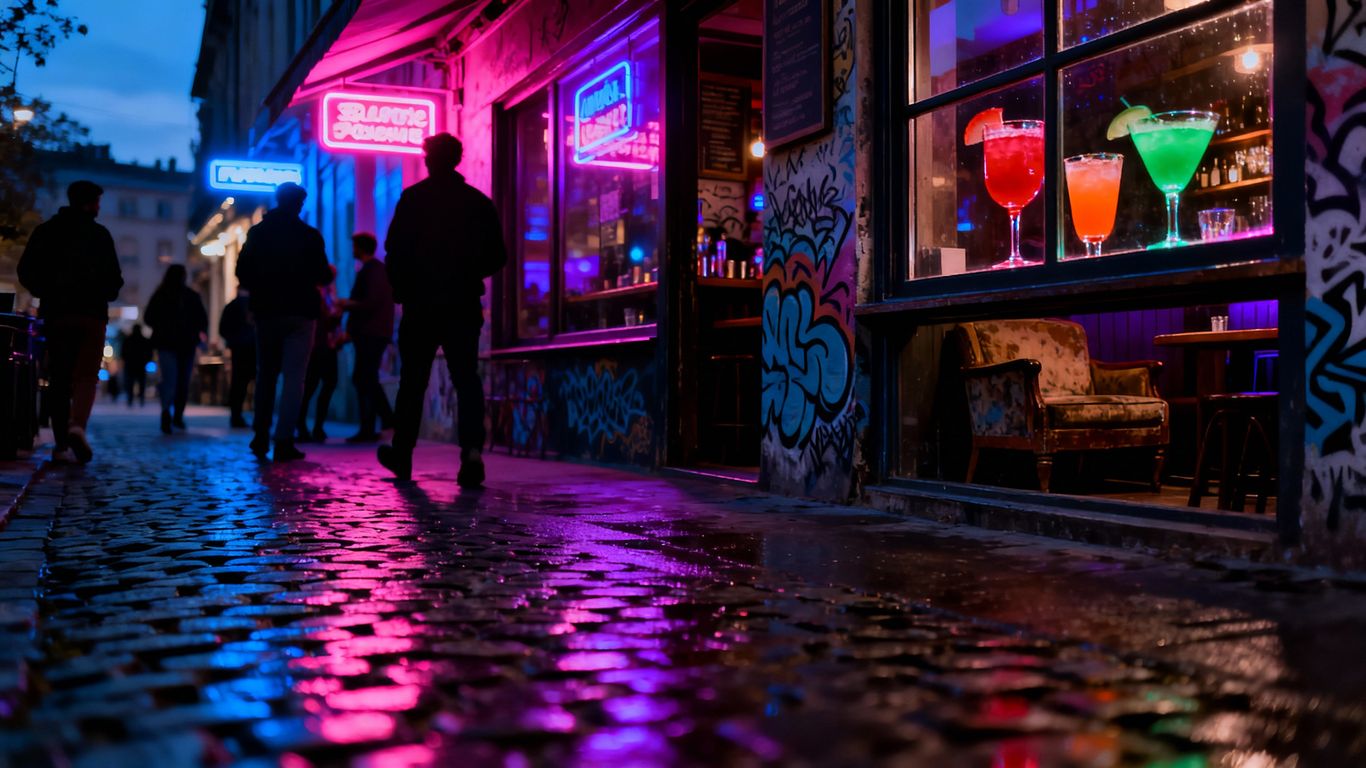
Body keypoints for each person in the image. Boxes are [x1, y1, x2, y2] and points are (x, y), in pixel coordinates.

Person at [378, 133, 507, 486]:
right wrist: (466, 273)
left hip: (421, 305)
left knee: (412, 382)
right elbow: (498, 255)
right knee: (466, 379)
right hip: (462, 303)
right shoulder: (477, 202)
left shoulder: (413, 199)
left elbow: (394, 251)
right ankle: (472, 455)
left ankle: (402, 454)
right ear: (458, 159)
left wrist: (403, 290)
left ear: (428, 159)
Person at [17, 179, 123, 463]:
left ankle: (62, 443)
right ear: (90, 203)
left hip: (58, 312)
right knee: (87, 375)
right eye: (98, 202)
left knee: (59, 378)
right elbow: (115, 279)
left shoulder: (46, 232)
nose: (99, 207)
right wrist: (103, 291)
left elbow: (26, 271)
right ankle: (78, 425)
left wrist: (45, 291)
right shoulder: (100, 235)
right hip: (92, 314)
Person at [235, 182, 333, 462]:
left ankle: (260, 435)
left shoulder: (258, 233)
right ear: (299, 204)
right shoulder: (309, 236)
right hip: (301, 312)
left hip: (266, 311)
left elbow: (242, 271)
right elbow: (324, 275)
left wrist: (261, 287)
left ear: (277, 200)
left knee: (265, 374)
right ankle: (284, 439)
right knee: (294, 378)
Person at [338, 232, 394, 443]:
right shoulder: (375, 270)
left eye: (354, 246)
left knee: (364, 377)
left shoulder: (373, 271)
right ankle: (378, 422)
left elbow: (370, 303)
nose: (352, 250)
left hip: (371, 333)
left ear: (361, 248)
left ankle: (377, 423)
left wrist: (346, 304)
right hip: (373, 332)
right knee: (365, 377)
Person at [144, 264, 208, 434]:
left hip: (167, 343)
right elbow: (203, 320)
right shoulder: (191, 296)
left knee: (169, 379)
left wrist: (162, 326)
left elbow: (148, 317)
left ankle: (166, 411)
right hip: (186, 344)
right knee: (182, 381)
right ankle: (177, 415)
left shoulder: (160, 295)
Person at [296, 269, 341, 443]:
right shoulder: (318, 295)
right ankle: (305, 426)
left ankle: (313, 426)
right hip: (319, 347)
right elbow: (323, 322)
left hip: (326, 346)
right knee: (311, 387)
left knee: (321, 385)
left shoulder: (327, 295)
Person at [219, 288, 256, 429]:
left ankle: (236, 415)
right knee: (259, 381)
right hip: (253, 347)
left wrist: (233, 340)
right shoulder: (254, 304)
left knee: (238, 383)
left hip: (239, 349)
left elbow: (222, 329)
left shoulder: (232, 306)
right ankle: (258, 416)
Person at [121, 323, 153, 407]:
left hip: (131, 365)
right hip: (140, 365)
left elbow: (123, 353)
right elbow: (149, 353)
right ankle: (141, 399)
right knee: (141, 383)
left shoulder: (128, 340)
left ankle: (130, 399)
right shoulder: (144, 340)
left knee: (130, 383)